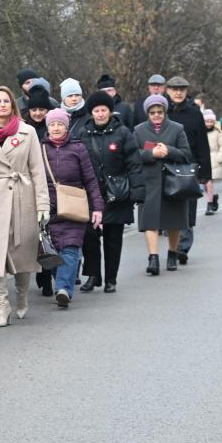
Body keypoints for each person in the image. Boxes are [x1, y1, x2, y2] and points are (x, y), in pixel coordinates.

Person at [0, 87, 49, 326]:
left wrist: (42, 203)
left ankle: (22, 296)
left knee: (23, 250)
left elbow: (37, 170)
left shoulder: (27, 131)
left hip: (22, 194)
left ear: (12, 105)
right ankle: (2, 306)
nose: (3, 104)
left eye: (7, 100)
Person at [72, 91, 145, 294]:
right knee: (89, 236)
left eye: (104, 110)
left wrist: (137, 191)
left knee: (114, 238)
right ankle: (93, 275)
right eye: (96, 110)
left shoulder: (123, 133)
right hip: (90, 193)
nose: (100, 114)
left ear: (110, 111)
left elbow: (134, 164)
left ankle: (111, 278)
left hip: (117, 193)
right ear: (91, 112)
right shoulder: (83, 134)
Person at [40, 109, 104, 307]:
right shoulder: (40, 148)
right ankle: (62, 282)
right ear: (48, 127)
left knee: (70, 249)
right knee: (51, 251)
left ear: (66, 127)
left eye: (60, 124)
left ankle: (63, 290)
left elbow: (90, 180)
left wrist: (97, 208)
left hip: (74, 207)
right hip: (47, 208)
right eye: (52, 124)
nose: (56, 128)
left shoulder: (78, 148)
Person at [134, 94, 194, 273]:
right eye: (152, 112)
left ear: (165, 112)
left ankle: (172, 253)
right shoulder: (139, 130)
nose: (156, 115)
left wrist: (169, 151)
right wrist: (151, 154)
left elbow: (186, 154)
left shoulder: (177, 129)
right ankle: (153, 258)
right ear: (148, 113)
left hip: (173, 182)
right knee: (149, 221)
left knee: (173, 221)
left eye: (160, 112)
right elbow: (133, 155)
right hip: (149, 182)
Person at [164, 76, 211, 262]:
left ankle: (182, 247)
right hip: (166, 164)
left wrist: (204, 172)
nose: (178, 93)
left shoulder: (194, 113)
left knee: (188, 206)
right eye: (174, 89)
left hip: (188, 166)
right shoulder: (161, 111)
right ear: (168, 90)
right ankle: (172, 245)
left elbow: (202, 143)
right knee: (169, 207)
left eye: (181, 89)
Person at [204, 109, 222, 215]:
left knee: (209, 183)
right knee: (205, 185)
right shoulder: (200, 131)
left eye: (211, 121)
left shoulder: (218, 132)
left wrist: (219, 157)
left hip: (214, 159)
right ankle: (214, 196)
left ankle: (209, 206)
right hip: (203, 159)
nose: (209, 124)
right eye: (207, 121)